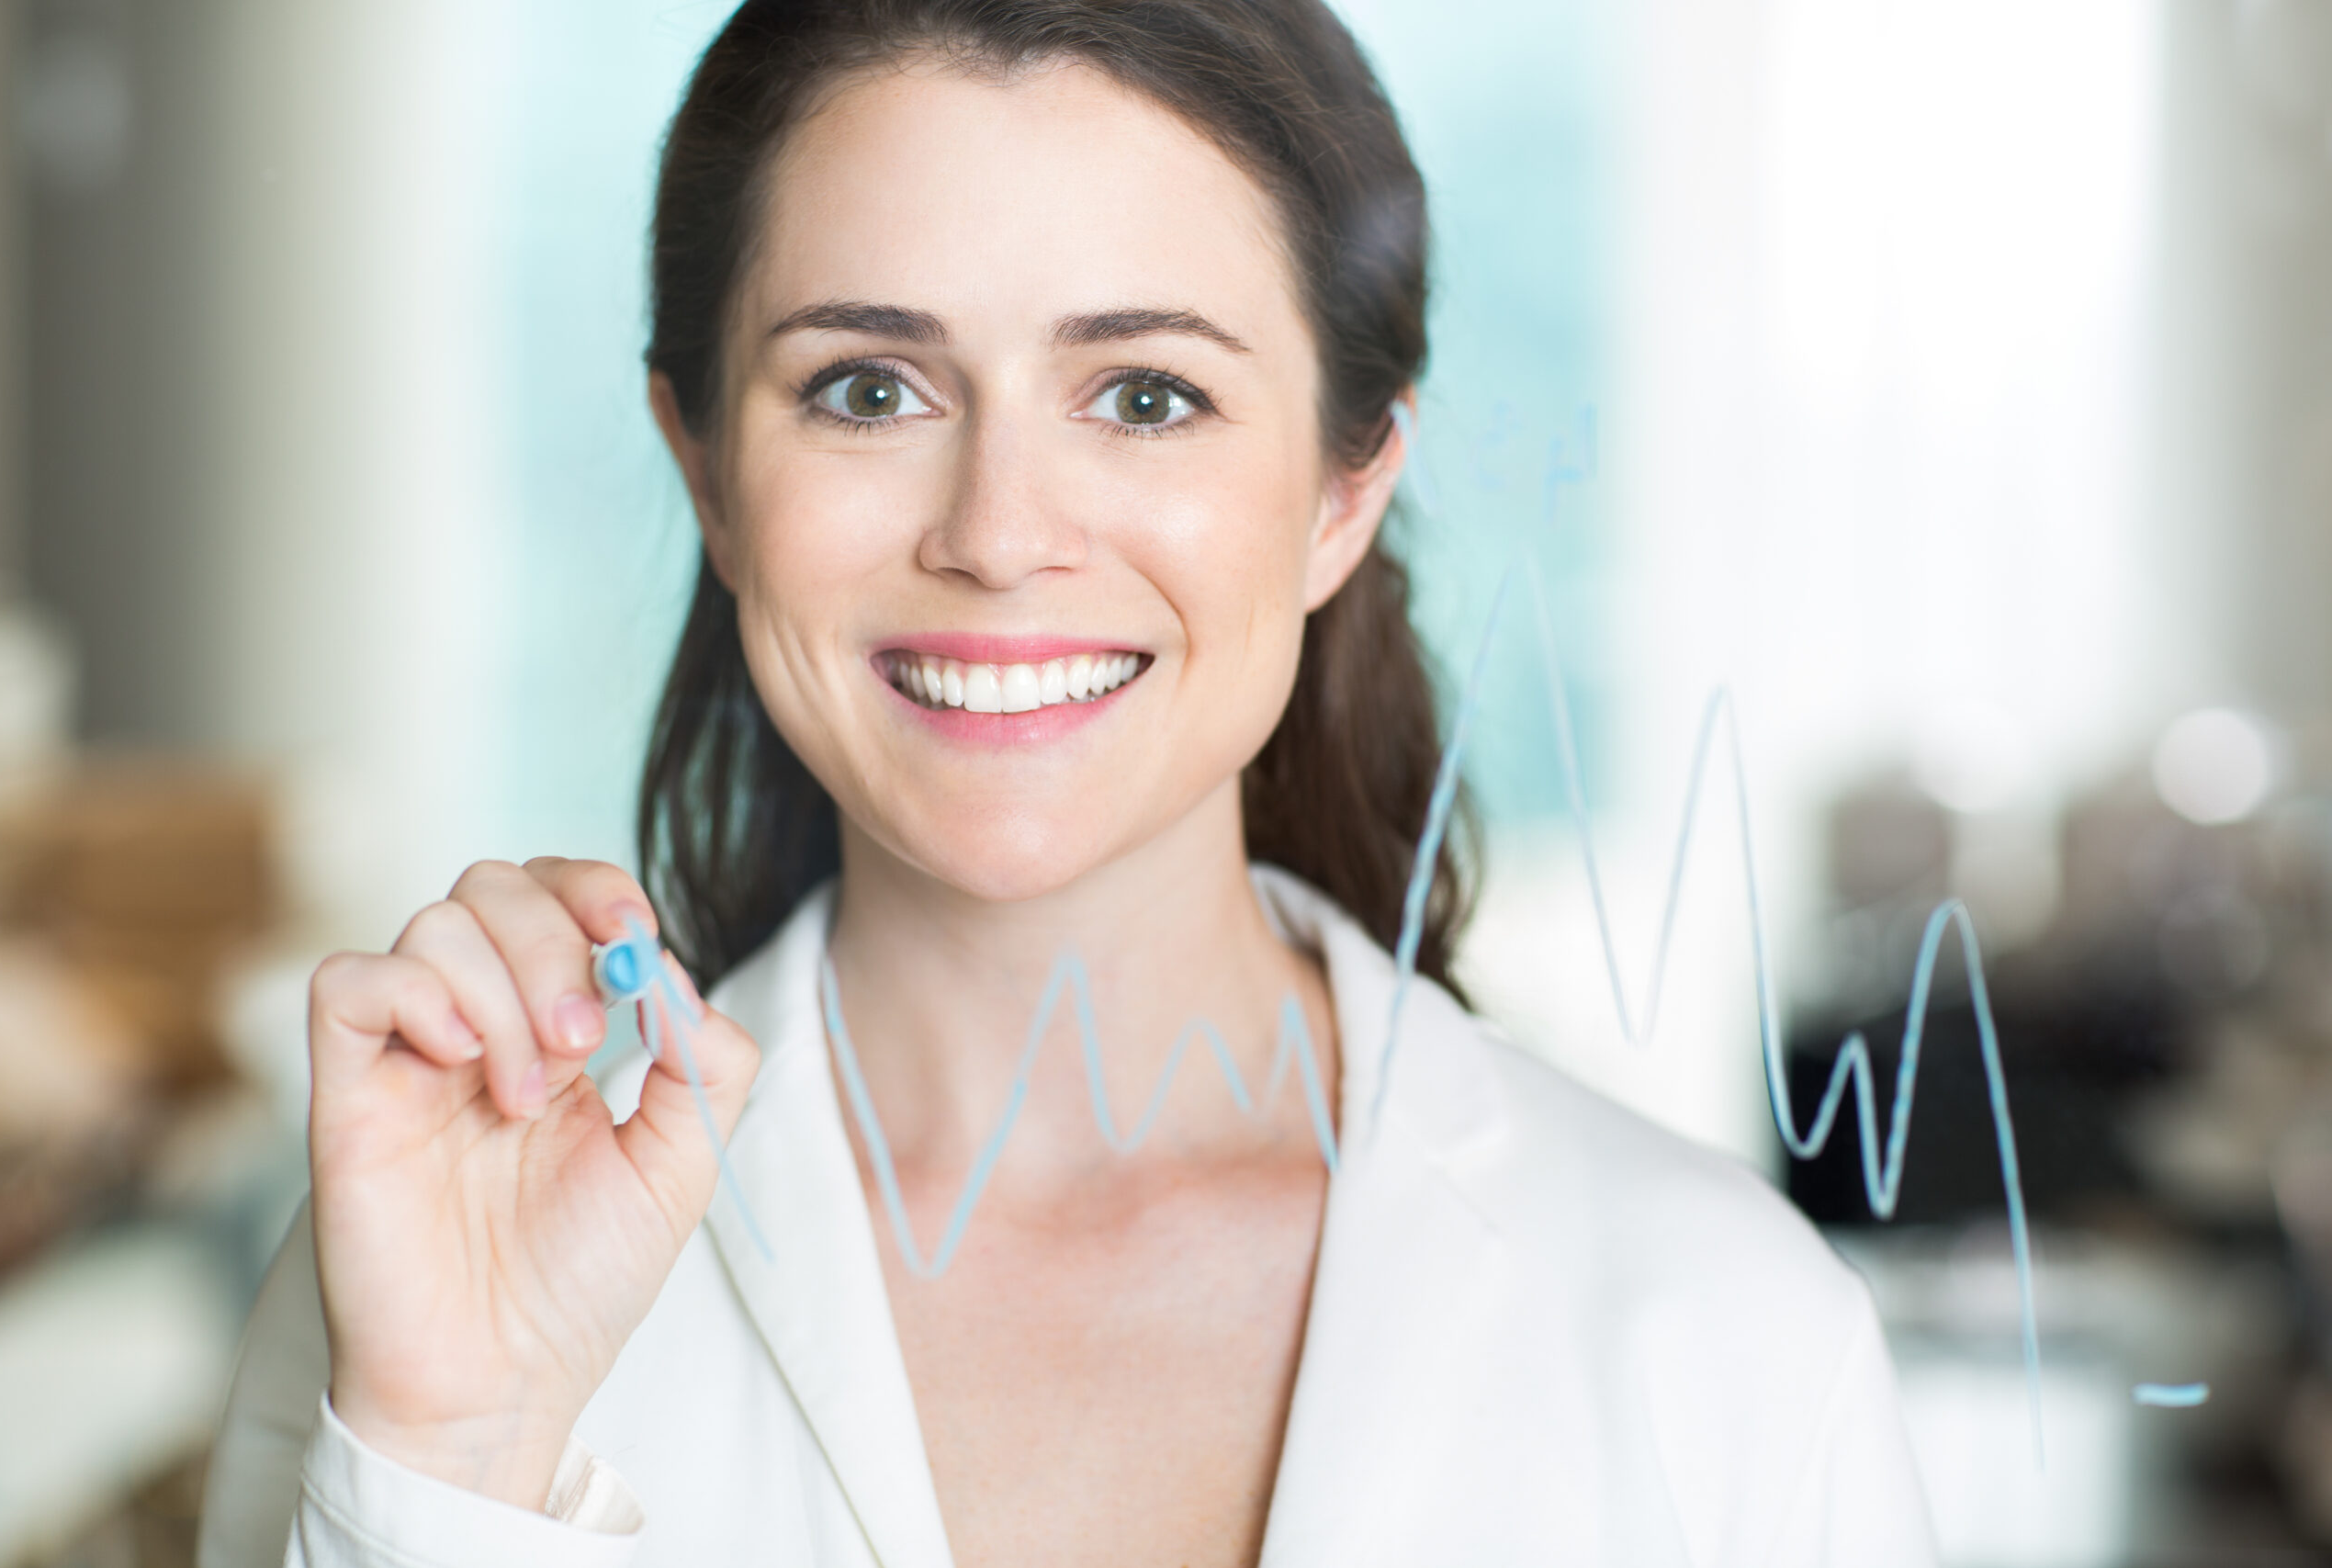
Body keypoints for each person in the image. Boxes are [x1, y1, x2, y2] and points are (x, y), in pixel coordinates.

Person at [197, 2, 1938, 1562]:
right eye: (869, 389)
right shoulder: (422, 1296)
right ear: (710, 476)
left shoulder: (1729, 1341)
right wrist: (457, 1461)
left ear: (1346, 493)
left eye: (1149, 396)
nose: (999, 535)